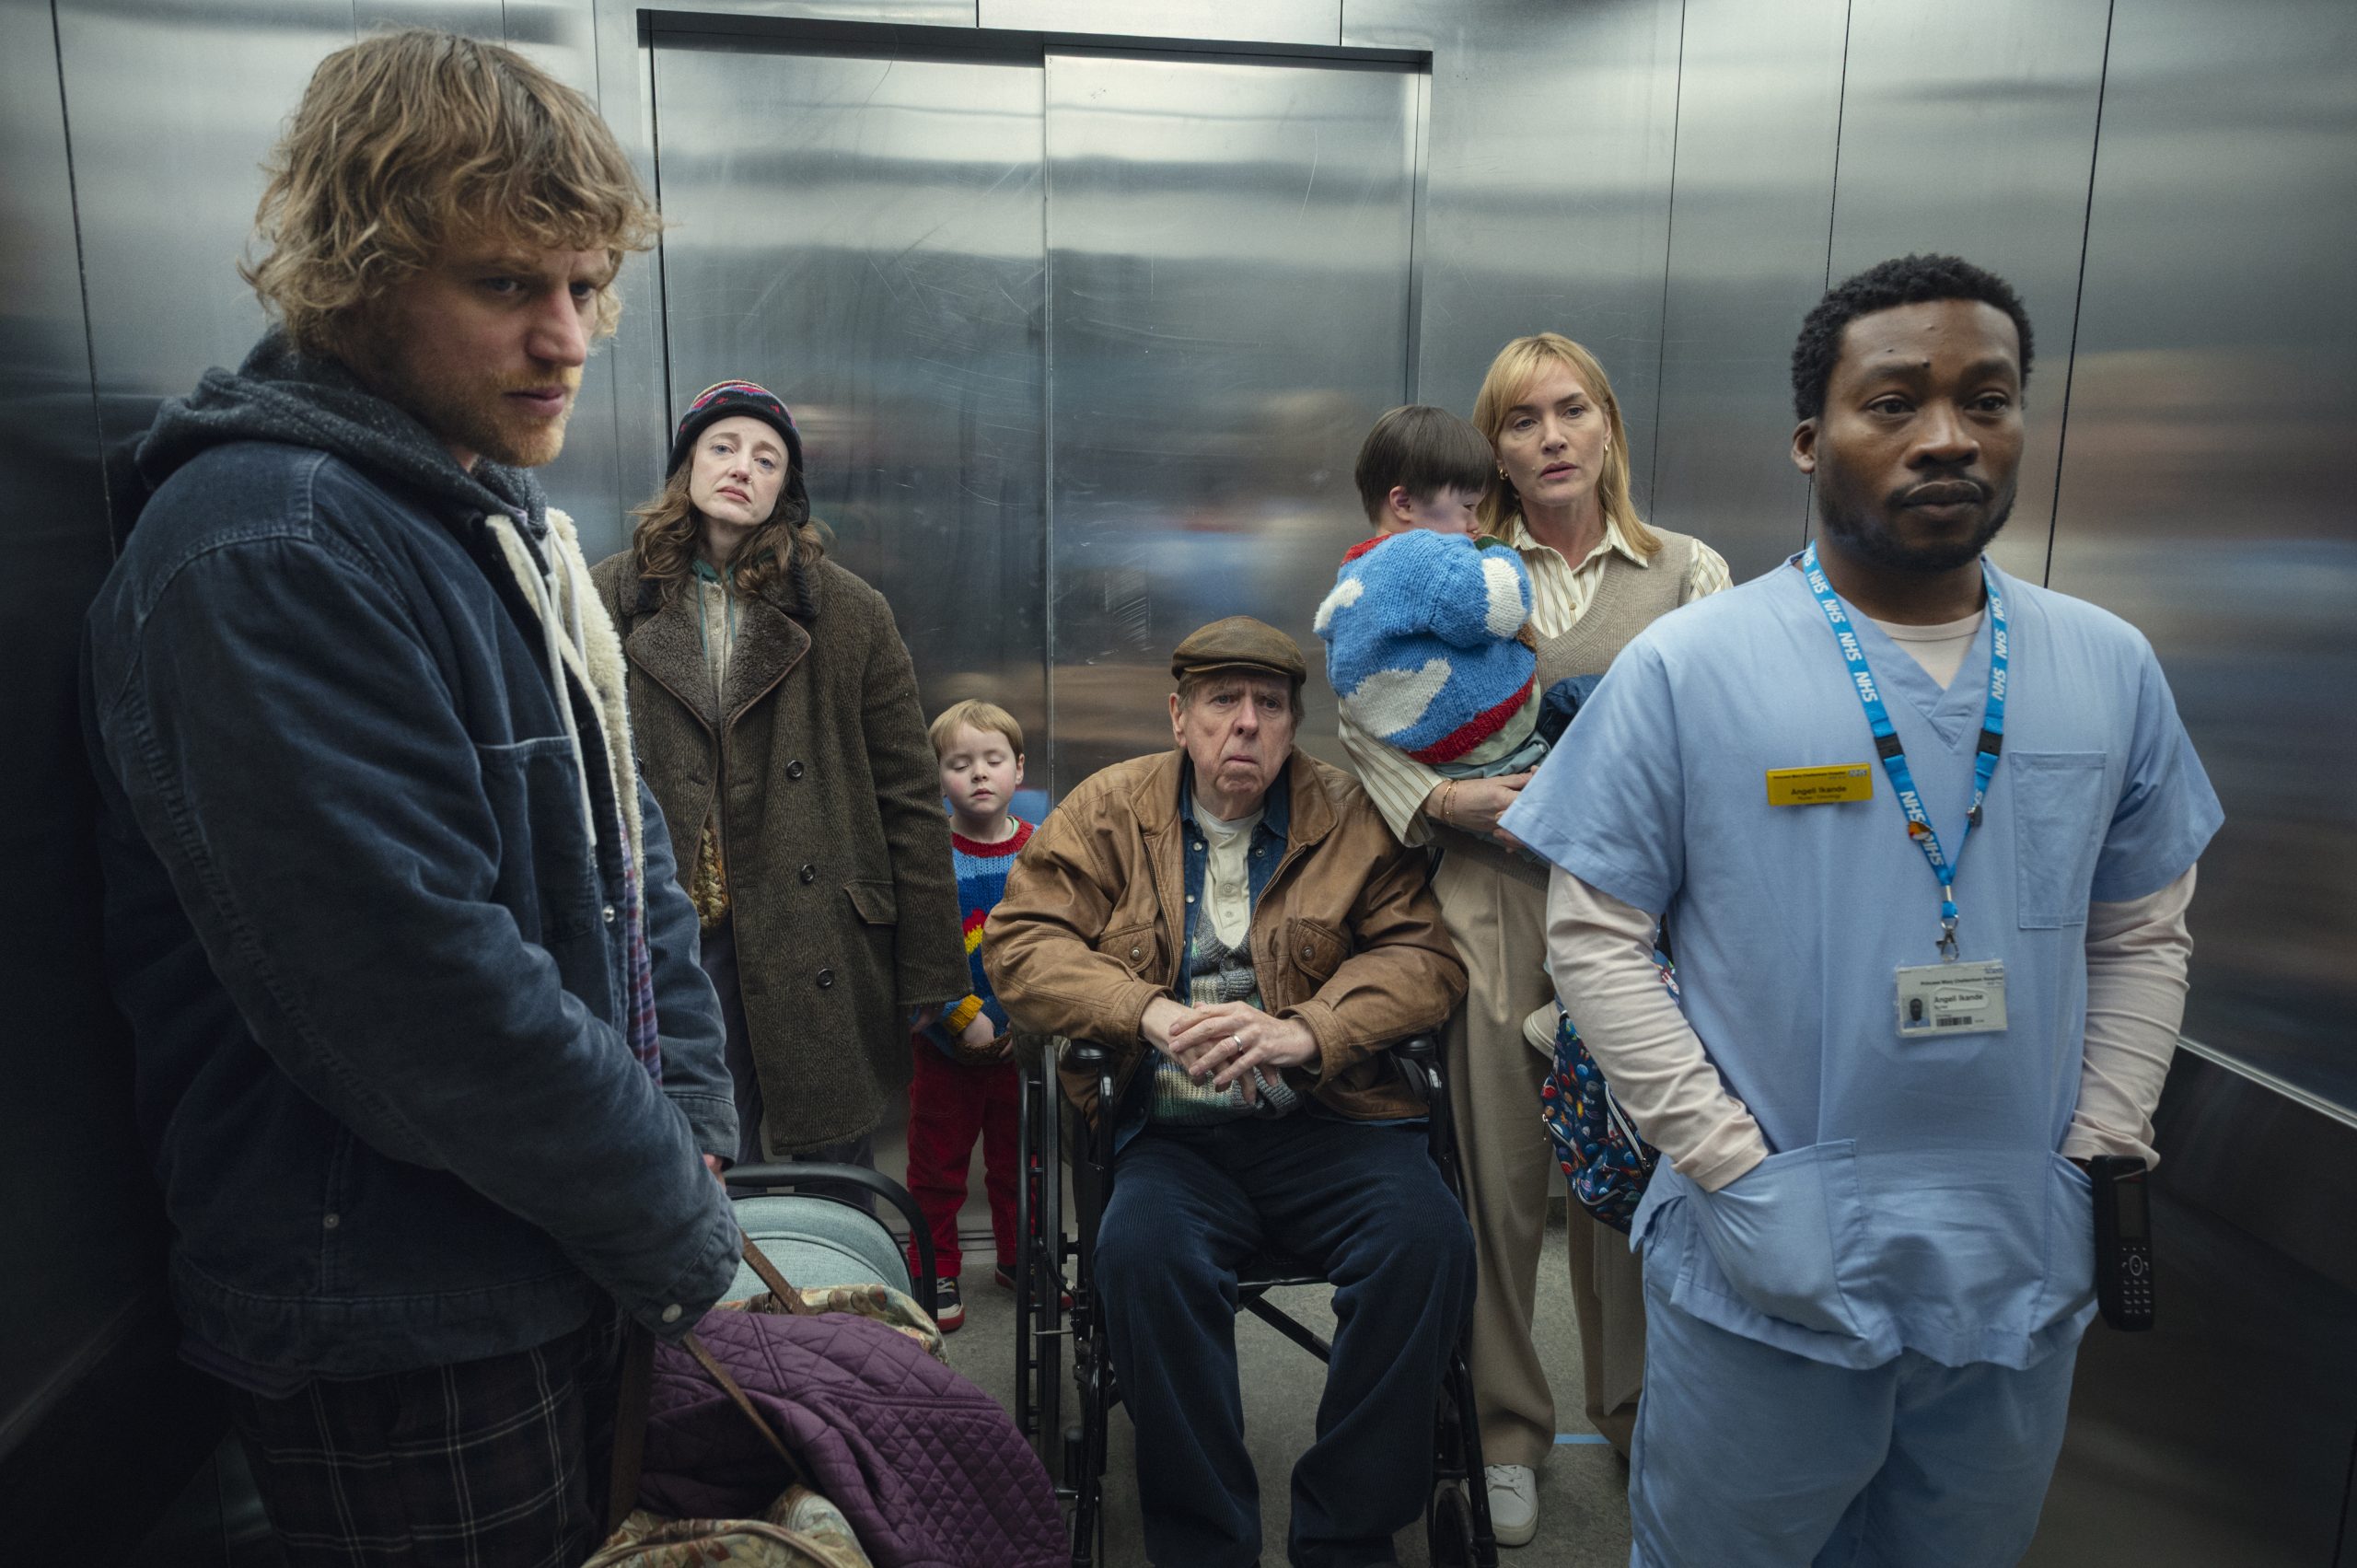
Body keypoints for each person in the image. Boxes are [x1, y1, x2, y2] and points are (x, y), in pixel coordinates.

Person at [80, 30, 740, 1563]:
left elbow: (620, 841)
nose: (568, 337)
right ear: (363, 278)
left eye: (585, 286)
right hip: (401, 1306)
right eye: (509, 286)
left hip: (546, 1242)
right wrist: (680, 1218)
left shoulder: (477, 511)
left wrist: (693, 1120)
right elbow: (413, 993)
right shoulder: (272, 543)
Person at [1509, 253, 2223, 1566]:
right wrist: (1727, 1164)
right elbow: (1596, 935)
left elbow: (2141, 931)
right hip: (1765, 1257)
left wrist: (2102, 1151)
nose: (1948, 433)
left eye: (1987, 398)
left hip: (2020, 1250)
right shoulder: (1692, 664)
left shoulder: (2106, 667)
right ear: (1808, 438)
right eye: (1893, 401)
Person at [1336, 333, 1731, 1543]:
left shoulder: (1687, 570)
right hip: (1489, 898)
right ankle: (1506, 1428)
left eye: (1572, 411)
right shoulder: (1450, 561)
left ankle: (1635, 1411)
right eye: (1521, 419)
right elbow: (1365, 709)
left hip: (1641, 912)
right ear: (1493, 442)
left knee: (1631, 1179)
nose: (1551, 437)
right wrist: (1443, 802)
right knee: (1500, 1183)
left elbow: (1725, 730)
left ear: (1609, 423)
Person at [988, 617, 1473, 1568]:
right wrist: (1147, 1013)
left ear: (1295, 724)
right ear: (1179, 715)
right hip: (1171, 1132)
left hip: (1334, 1122)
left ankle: (1347, 1528)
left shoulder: (1350, 813)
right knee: (1139, 1253)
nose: (1244, 725)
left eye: (1269, 706)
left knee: (1427, 1240)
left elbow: (1424, 957)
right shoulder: (1108, 809)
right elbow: (1020, 944)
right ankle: (1207, 1540)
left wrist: (1310, 1030)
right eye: (1221, 702)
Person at [592, 380, 967, 1184]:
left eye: (767, 459)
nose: (742, 468)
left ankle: (844, 1310)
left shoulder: (847, 610)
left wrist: (932, 962)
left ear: (784, 490)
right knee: (691, 1164)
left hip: (817, 927)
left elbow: (908, 791)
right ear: (687, 465)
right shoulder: (608, 598)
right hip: (682, 933)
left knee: (834, 1170)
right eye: (723, 447)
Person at [1317, 403, 1571, 780]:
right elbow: (1500, 608)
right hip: (1494, 746)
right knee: (1583, 699)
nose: (1475, 523)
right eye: (1467, 507)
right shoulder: (1421, 556)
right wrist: (1496, 550)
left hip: (1438, 760)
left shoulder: (1356, 570)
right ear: (1403, 503)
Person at [903, 698, 1035, 1332]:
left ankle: (1020, 1254)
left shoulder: (1042, 852)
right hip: (944, 1049)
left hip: (1024, 1044)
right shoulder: (929, 858)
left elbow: (1052, 941)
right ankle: (935, 1265)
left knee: (1021, 1158)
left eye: (993, 759)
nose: (979, 774)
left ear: (1019, 769)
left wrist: (1022, 1020)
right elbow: (919, 945)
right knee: (937, 1163)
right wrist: (963, 1016)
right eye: (960, 763)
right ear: (938, 777)